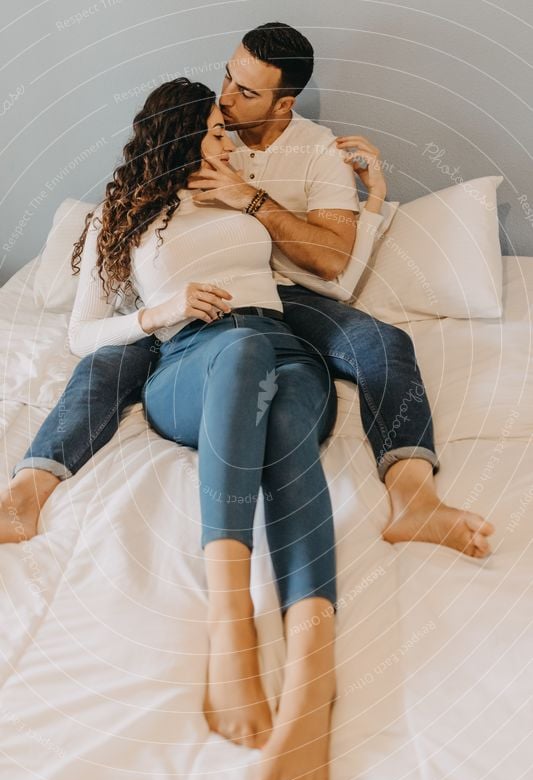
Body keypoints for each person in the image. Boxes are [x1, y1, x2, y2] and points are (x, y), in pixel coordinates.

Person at [0, 21, 495, 553]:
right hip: (182, 306)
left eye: (248, 92)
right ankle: (24, 495)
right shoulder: (198, 136)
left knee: (384, 343)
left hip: (283, 300)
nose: (228, 99)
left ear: (283, 105)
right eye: (228, 78)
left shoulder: (315, 153)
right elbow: (129, 238)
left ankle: (415, 499)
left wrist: (291, 200)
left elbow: (334, 266)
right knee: (102, 364)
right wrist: (155, 304)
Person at [65, 77, 338, 780]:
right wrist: (162, 310)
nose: (229, 142)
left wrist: (354, 204)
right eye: (216, 130)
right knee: (238, 348)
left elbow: (329, 270)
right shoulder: (124, 218)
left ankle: (313, 672)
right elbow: (79, 333)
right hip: (189, 363)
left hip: (282, 353)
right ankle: (231, 624)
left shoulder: (244, 197)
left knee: (281, 409)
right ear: (179, 136)